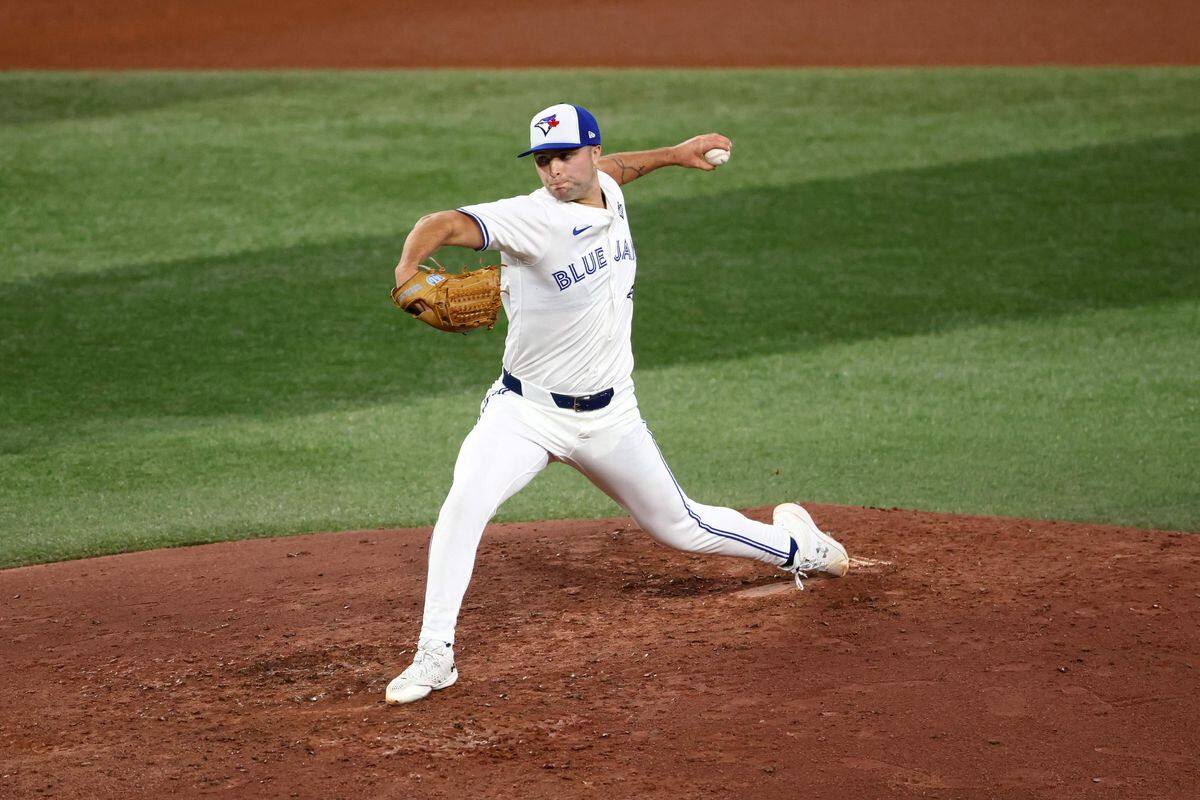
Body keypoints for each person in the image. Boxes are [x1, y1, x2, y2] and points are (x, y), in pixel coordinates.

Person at [385, 103, 849, 706]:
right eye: (544, 162)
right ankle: (434, 654)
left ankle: (800, 547)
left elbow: (622, 171)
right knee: (463, 506)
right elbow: (443, 222)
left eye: (566, 158)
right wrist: (407, 268)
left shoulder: (604, 187)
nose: (555, 173)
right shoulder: (528, 220)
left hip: (611, 417)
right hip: (526, 414)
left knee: (682, 528)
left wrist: (676, 154)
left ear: (592, 153)